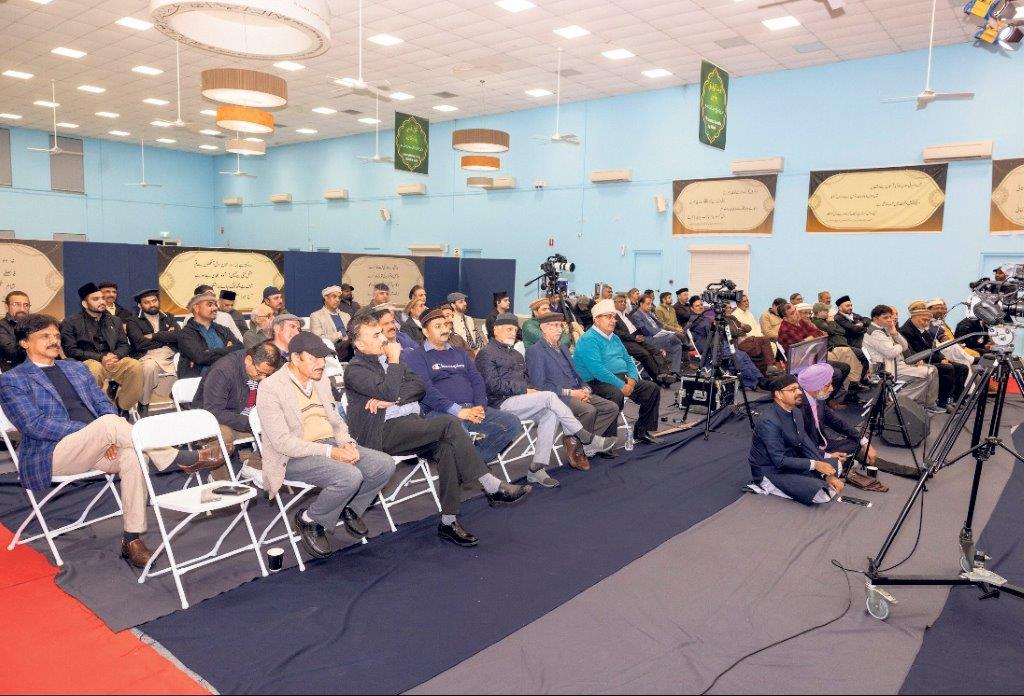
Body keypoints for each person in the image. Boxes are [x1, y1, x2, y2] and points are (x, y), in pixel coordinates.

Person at [0, 314, 226, 566]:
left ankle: (132, 539)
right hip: (51, 454)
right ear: (24, 343)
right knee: (109, 424)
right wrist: (97, 433)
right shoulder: (12, 380)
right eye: (44, 336)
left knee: (132, 456)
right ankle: (181, 457)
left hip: (98, 447)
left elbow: (103, 403)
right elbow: (34, 425)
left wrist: (104, 438)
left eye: (55, 335)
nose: (54, 341)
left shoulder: (75, 368)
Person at [343, 312, 530, 547]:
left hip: (410, 424)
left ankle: (448, 522)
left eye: (381, 332)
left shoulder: (390, 360)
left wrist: (393, 398)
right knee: (449, 423)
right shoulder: (356, 369)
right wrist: (394, 365)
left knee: (447, 447)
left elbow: (419, 386)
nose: (383, 338)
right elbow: (389, 390)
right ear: (360, 345)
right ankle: (491, 485)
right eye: (375, 335)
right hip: (381, 431)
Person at [256, 331, 396, 558]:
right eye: (314, 358)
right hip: (291, 457)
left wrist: (347, 443)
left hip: (329, 444)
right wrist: (332, 452)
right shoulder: (270, 387)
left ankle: (349, 507)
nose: (321, 364)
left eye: (322, 358)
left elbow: (336, 421)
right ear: (295, 358)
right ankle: (309, 519)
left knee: (384, 464)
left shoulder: (320, 379)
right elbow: (282, 443)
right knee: (349, 476)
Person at [477, 313, 615, 486]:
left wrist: (530, 390)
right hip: (500, 404)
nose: (513, 333)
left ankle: (536, 469)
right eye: (509, 329)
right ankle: (585, 437)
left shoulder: (517, 355)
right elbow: (491, 385)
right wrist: (526, 390)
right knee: (549, 396)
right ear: (496, 330)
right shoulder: (486, 353)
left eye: (515, 329)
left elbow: (528, 380)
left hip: (523, 401)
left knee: (550, 414)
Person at [403, 307, 521, 467]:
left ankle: (473, 465)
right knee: (459, 432)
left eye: (445, 325)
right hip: (440, 413)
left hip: (472, 409)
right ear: (425, 332)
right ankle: (475, 469)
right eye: (438, 326)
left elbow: (477, 379)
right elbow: (426, 391)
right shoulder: (416, 357)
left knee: (512, 423)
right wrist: (458, 411)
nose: (444, 329)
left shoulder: (458, 352)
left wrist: (479, 406)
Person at [526, 313, 621, 459]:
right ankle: (582, 446)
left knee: (611, 408)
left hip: (577, 391)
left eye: (561, 325)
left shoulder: (563, 348)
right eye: (555, 325)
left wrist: (585, 388)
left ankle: (577, 441)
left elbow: (576, 374)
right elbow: (539, 386)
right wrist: (571, 393)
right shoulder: (535, 351)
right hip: (558, 396)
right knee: (589, 410)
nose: (560, 329)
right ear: (544, 328)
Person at [574, 299, 662, 445]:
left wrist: (632, 379)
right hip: (595, 382)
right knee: (615, 394)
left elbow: (628, 360)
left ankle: (642, 430)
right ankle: (605, 441)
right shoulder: (588, 339)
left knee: (651, 389)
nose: (613, 320)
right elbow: (597, 370)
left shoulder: (614, 338)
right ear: (597, 320)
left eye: (614, 317)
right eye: (608, 317)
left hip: (620, 379)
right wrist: (622, 386)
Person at [747, 373, 844, 505]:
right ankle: (767, 485)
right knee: (821, 494)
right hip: (771, 471)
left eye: (798, 388)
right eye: (793, 390)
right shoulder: (768, 421)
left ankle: (814, 480)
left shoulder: (796, 412)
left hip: (792, 462)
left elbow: (805, 443)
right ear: (779, 394)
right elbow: (779, 461)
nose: (799, 392)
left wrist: (827, 473)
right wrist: (816, 465)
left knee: (835, 465)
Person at [196, 340, 282, 482]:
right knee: (222, 435)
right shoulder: (223, 371)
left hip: (247, 417)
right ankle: (221, 482)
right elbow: (214, 412)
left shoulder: (261, 368)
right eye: (260, 373)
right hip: (217, 420)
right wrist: (252, 422)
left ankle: (253, 465)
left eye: (267, 374)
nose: (263, 378)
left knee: (285, 422)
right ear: (248, 360)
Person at [60, 283, 145, 414]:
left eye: (102, 298)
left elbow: (124, 345)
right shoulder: (70, 322)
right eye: (96, 299)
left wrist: (116, 356)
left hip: (113, 360)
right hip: (88, 361)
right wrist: (100, 358)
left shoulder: (115, 320)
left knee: (135, 366)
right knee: (94, 368)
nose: (102, 302)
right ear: (85, 304)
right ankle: (94, 410)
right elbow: (71, 350)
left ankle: (122, 407)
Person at [862, 304, 941, 413]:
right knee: (927, 373)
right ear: (876, 319)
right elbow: (891, 352)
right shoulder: (875, 333)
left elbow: (905, 346)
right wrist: (897, 346)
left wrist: (895, 334)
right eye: (885, 317)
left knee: (931, 370)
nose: (889, 320)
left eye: (890, 317)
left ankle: (923, 404)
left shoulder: (885, 329)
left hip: (896, 364)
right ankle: (897, 401)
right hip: (886, 369)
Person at [796, 363, 877, 463]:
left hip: (823, 445)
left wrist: (864, 442)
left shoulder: (819, 399)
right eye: (828, 385)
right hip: (808, 452)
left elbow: (836, 422)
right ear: (815, 385)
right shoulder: (797, 406)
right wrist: (827, 456)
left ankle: (840, 463)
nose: (831, 388)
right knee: (834, 460)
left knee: (857, 443)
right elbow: (801, 444)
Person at [775, 301, 852, 403]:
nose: (796, 313)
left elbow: (819, 333)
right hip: (800, 364)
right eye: (792, 313)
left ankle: (828, 399)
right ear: (785, 318)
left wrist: (809, 339)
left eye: (795, 310)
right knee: (836, 373)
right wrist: (810, 339)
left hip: (813, 358)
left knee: (845, 367)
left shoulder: (801, 322)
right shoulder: (786, 330)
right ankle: (823, 402)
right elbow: (802, 348)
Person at [900, 303, 968, 409]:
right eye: (924, 320)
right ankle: (943, 401)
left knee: (962, 367)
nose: (926, 323)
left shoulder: (923, 329)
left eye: (928, 321)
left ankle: (957, 399)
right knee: (947, 368)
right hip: (920, 360)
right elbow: (918, 351)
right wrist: (940, 361)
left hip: (932, 358)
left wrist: (943, 358)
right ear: (914, 317)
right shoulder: (906, 331)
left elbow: (934, 348)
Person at [687, 297, 763, 390]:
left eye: (701, 305)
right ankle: (756, 381)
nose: (700, 307)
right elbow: (710, 333)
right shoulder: (695, 321)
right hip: (710, 349)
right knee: (740, 357)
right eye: (697, 306)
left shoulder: (704, 318)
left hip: (718, 345)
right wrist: (715, 324)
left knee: (742, 355)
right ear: (692, 308)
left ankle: (759, 379)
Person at [126, 288, 179, 415]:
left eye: (154, 300)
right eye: (147, 302)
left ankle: (178, 394)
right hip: (147, 356)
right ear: (140, 305)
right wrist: (166, 338)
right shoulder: (133, 321)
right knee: (149, 367)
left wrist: (154, 336)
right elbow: (140, 344)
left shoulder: (169, 317)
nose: (152, 304)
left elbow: (178, 336)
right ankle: (143, 403)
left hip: (170, 354)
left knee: (187, 360)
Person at [176, 291, 242, 378]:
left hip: (227, 376)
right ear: (196, 308)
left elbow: (240, 348)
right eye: (210, 305)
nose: (215, 308)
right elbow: (201, 358)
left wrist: (209, 352)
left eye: (215, 305)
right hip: (199, 380)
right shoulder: (186, 333)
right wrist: (228, 350)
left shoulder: (222, 329)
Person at [612, 294, 674, 387]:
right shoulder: (613, 317)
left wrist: (640, 335)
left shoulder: (627, 315)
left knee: (657, 351)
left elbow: (636, 327)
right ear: (614, 303)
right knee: (645, 354)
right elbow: (617, 333)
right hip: (626, 342)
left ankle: (665, 375)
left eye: (624, 302)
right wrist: (634, 337)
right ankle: (657, 378)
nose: (623, 303)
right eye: (620, 301)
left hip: (637, 339)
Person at [811, 302, 869, 387]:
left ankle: (859, 380)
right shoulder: (817, 322)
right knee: (861, 355)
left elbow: (842, 331)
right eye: (826, 311)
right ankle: (857, 382)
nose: (828, 312)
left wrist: (832, 327)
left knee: (862, 356)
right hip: (836, 347)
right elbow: (831, 330)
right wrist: (832, 323)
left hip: (843, 345)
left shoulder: (826, 321)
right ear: (819, 312)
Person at [629, 294, 685, 375]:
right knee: (673, 337)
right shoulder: (636, 316)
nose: (650, 306)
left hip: (660, 337)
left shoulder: (649, 314)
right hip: (648, 339)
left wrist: (665, 331)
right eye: (648, 304)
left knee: (677, 346)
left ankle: (674, 371)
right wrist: (660, 332)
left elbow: (660, 324)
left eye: (651, 304)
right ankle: (682, 343)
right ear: (641, 304)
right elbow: (645, 331)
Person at [724, 302, 775, 375]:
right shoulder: (723, 320)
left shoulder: (733, 318)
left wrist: (741, 328)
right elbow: (733, 332)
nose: (729, 309)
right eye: (726, 308)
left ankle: (768, 369)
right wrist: (740, 328)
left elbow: (748, 328)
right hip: (737, 344)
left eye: (730, 307)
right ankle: (770, 366)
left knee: (763, 344)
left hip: (746, 340)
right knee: (764, 340)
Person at [309, 285, 353, 361]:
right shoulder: (316, 316)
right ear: (326, 298)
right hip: (331, 350)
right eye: (334, 296)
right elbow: (319, 340)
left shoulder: (346, 316)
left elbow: (352, 333)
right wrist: (341, 334)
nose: (337, 300)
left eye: (339, 297)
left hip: (349, 348)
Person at [0, 290, 31, 371]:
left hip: (40, 369)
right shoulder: (2, 326)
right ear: (7, 307)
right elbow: (12, 352)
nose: (22, 309)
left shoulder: (35, 325)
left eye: (26, 305)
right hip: (14, 371)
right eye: (17, 304)